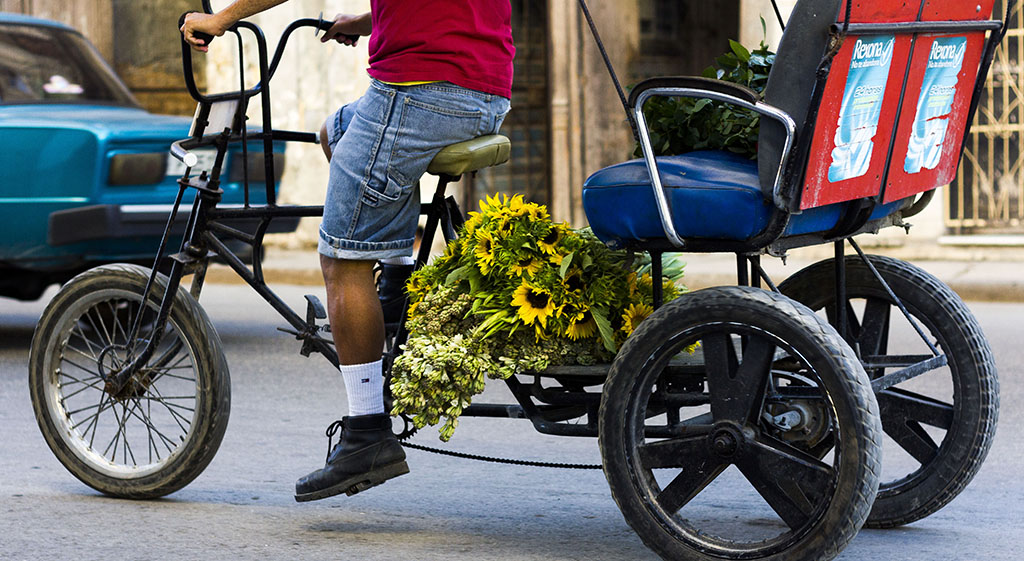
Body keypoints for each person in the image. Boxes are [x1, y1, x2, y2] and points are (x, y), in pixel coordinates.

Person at [181, 0, 513, 502]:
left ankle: (367, 433)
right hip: (484, 93)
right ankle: (398, 283)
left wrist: (220, 19)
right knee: (333, 131)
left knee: (342, 259)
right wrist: (360, 22)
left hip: (421, 90)